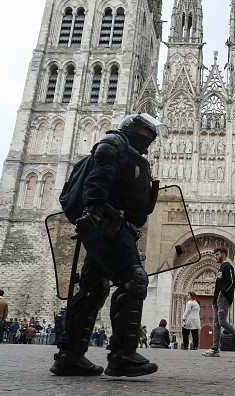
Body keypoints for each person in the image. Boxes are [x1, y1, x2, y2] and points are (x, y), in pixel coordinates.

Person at [50, 113, 165, 377]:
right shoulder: (114, 144)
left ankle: (70, 356)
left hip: (114, 226)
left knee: (93, 288)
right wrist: (93, 211)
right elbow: (99, 178)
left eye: (151, 136)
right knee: (134, 280)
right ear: (132, 129)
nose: (148, 140)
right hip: (107, 224)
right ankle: (122, 355)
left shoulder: (131, 153)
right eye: (145, 134)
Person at [202, 248, 235, 357]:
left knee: (222, 322)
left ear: (223, 254)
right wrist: (216, 298)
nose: (215, 257)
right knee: (216, 324)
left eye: (217, 254)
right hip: (216, 299)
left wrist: (222, 293)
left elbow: (231, 282)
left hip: (223, 298)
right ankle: (215, 349)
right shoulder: (220, 268)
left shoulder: (228, 267)